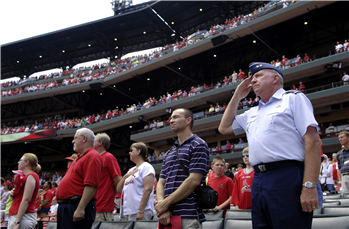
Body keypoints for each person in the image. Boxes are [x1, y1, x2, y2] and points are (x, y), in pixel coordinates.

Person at [218, 62, 321, 229]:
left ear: (275, 78)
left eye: (258, 76)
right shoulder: (253, 112)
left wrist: (309, 186)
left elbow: (313, 142)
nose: (253, 81)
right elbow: (224, 128)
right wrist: (236, 96)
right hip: (259, 178)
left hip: (287, 175)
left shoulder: (293, 99)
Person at [156, 108, 209, 228]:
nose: (171, 121)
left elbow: (194, 180)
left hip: (187, 214)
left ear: (188, 120)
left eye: (175, 117)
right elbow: (161, 182)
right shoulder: (169, 152)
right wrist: (162, 207)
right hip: (166, 215)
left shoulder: (198, 144)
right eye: (170, 118)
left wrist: (165, 203)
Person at [56, 128, 103, 229]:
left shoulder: (92, 156)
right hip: (67, 206)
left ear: (84, 138)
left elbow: (91, 185)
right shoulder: (79, 157)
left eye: (75, 138)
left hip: (76, 205)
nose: (73, 141)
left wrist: (80, 208)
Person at [116, 142, 155, 221]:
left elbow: (148, 189)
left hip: (140, 210)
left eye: (131, 150)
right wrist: (125, 177)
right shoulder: (131, 170)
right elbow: (119, 190)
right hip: (127, 211)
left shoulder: (146, 166)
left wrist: (140, 211)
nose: (129, 152)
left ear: (138, 152)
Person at [94, 133, 122, 221]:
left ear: (100, 143)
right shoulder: (95, 157)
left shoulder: (108, 157)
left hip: (102, 207)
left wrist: (110, 197)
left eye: (94, 140)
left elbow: (118, 181)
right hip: (94, 206)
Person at [8, 153, 41, 229]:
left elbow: (26, 200)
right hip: (20, 216)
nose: (18, 162)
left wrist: (17, 222)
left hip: (23, 217)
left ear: (27, 163)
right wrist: (13, 194)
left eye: (20, 160)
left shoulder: (31, 175)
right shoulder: (26, 177)